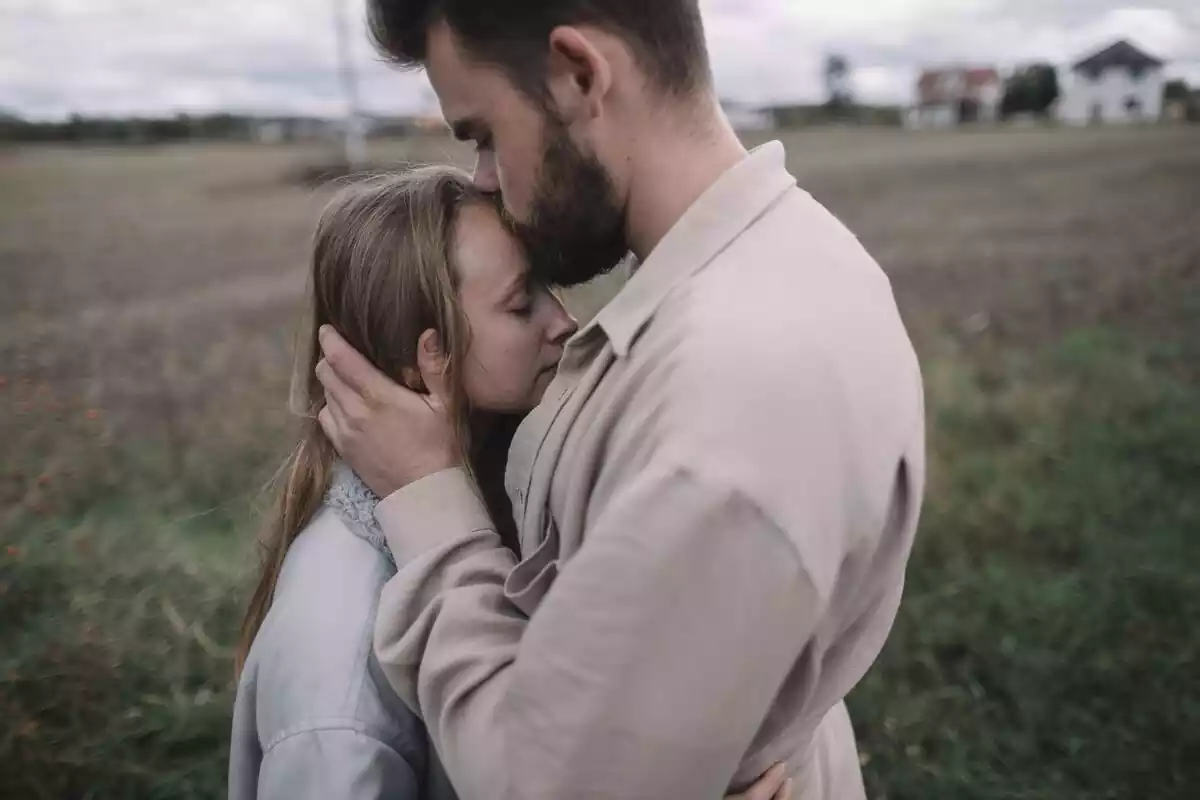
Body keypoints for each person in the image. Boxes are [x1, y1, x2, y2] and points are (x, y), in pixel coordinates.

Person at [315, 1, 926, 797]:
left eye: (485, 135)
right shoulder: (799, 258)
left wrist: (431, 507)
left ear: (578, 75)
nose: (486, 179)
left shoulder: (730, 394)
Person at [228, 167, 795, 800]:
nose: (567, 322)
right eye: (522, 303)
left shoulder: (520, 498)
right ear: (419, 362)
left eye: (548, 287)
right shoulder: (337, 674)